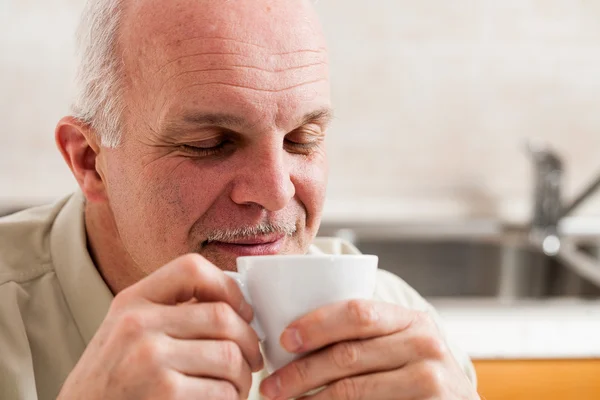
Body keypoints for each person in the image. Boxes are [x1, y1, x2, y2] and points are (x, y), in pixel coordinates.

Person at [0, 0, 479, 399]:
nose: (276, 191)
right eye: (210, 143)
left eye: (302, 138)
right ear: (90, 161)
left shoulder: (397, 333)